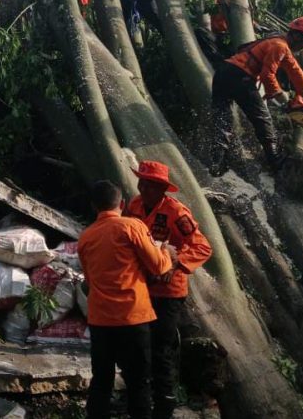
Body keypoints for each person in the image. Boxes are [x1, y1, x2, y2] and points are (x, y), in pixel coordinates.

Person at [124, 161, 213, 419]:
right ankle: (140, 402)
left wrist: (174, 262)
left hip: (168, 292)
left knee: (162, 349)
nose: (143, 187)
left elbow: (202, 246)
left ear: (162, 188)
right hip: (141, 287)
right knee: (139, 346)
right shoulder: (135, 206)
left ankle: (165, 406)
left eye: (150, 185)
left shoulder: (176, 212)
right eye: (142, 182)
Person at [78, 180, 172, 419]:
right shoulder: (132, 226)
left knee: (101, 381)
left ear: (93, 206)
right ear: (121, 203)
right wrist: (167, 252)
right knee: (138, 382)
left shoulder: (86, 238)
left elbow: (89, 282)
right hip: (133, 317)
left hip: (100, 321)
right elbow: (159, 266)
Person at [209, 16, 303, 176]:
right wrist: (282, 99)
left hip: (224, 72)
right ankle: (276, 163)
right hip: (240, 77)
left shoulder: (279, 43)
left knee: (222, 118)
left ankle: (217, 162)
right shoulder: (279, 46)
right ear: (297, 35)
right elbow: (267, 75)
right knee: (263, 120)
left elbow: (294, 70)